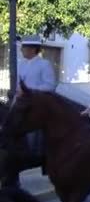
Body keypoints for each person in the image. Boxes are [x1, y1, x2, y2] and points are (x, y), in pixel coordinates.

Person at [6, 35, 57, 188]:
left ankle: (37, 156)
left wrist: (31, 91)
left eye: (24, 48)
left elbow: (50, 85)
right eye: (22, 47)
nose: (22, 50)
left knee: (35, 131)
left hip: (36, 104)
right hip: (21, 103)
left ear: (33, 49)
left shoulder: (44, 64)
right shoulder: (22, 64)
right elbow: (19, 87)